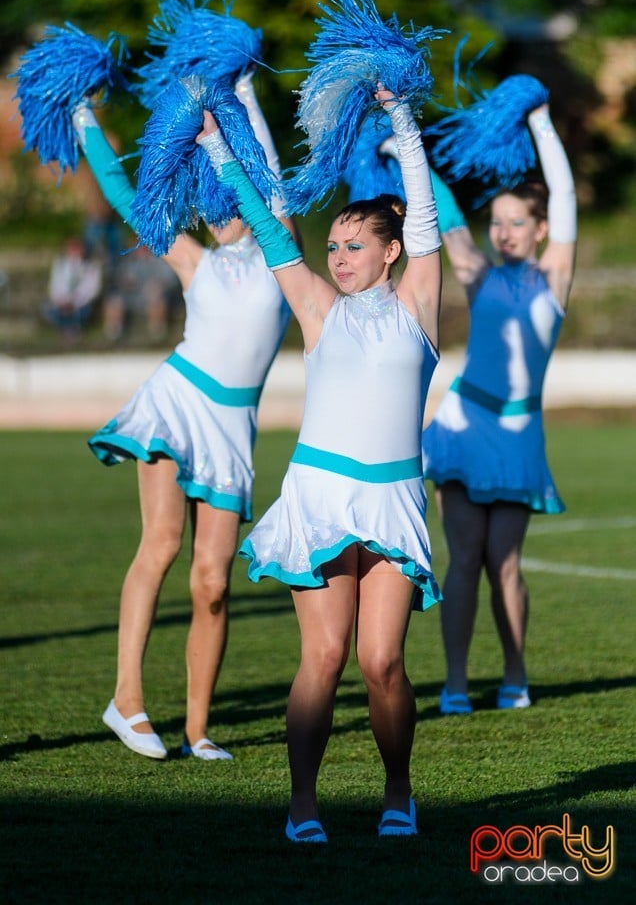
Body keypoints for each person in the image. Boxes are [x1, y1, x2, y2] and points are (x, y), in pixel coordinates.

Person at [196, 84, 442, 841]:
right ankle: (303, 802)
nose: (337, 257)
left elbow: (423, 210)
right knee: (326, 654)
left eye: (354, 245)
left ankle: (397, 787)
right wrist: (214, 147)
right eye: (332, 246)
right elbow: (272, 230)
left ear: (392, 250)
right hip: (320, 496)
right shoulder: (318, 309)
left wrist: (401, 115)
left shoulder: (417, 307)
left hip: (394, 500)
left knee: (381, 663)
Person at [72, 70, 296, 761]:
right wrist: (82, 118)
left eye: (234, 198)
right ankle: (128, 699)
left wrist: (247, 96)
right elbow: (122, 194)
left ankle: (199, 729)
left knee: (213, 582)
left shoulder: (283, 257)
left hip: (232, 430)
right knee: (162, 544)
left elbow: (275, 181)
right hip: (178, 402)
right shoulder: (196, 260)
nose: (224, 210)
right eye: (213, 203)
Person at [421, 102, 577, 715]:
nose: (504, 232)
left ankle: (516, 672)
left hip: (516, 435)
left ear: (541, 229)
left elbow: (564, 194)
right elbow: (447, 214)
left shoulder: (553, 280)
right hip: (462, 425)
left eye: (518, 223)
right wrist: (401, 145)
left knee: (504, 564)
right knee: (462, 562)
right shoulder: (478, 274)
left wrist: (541, 121)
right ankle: (455, 681)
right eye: (499, 222)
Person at [41, 236, 103, 341]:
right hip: (62, 303)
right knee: (48, 310)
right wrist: (62, 301)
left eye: (77, 248)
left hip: (81, 304)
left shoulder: (91, 266)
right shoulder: (60, 264)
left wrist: (74, 302)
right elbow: (54, 286)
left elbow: (92, 290)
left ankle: (74, 330)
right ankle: (65, 331)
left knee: (83, 312)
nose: (74, 251)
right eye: (71, 248)